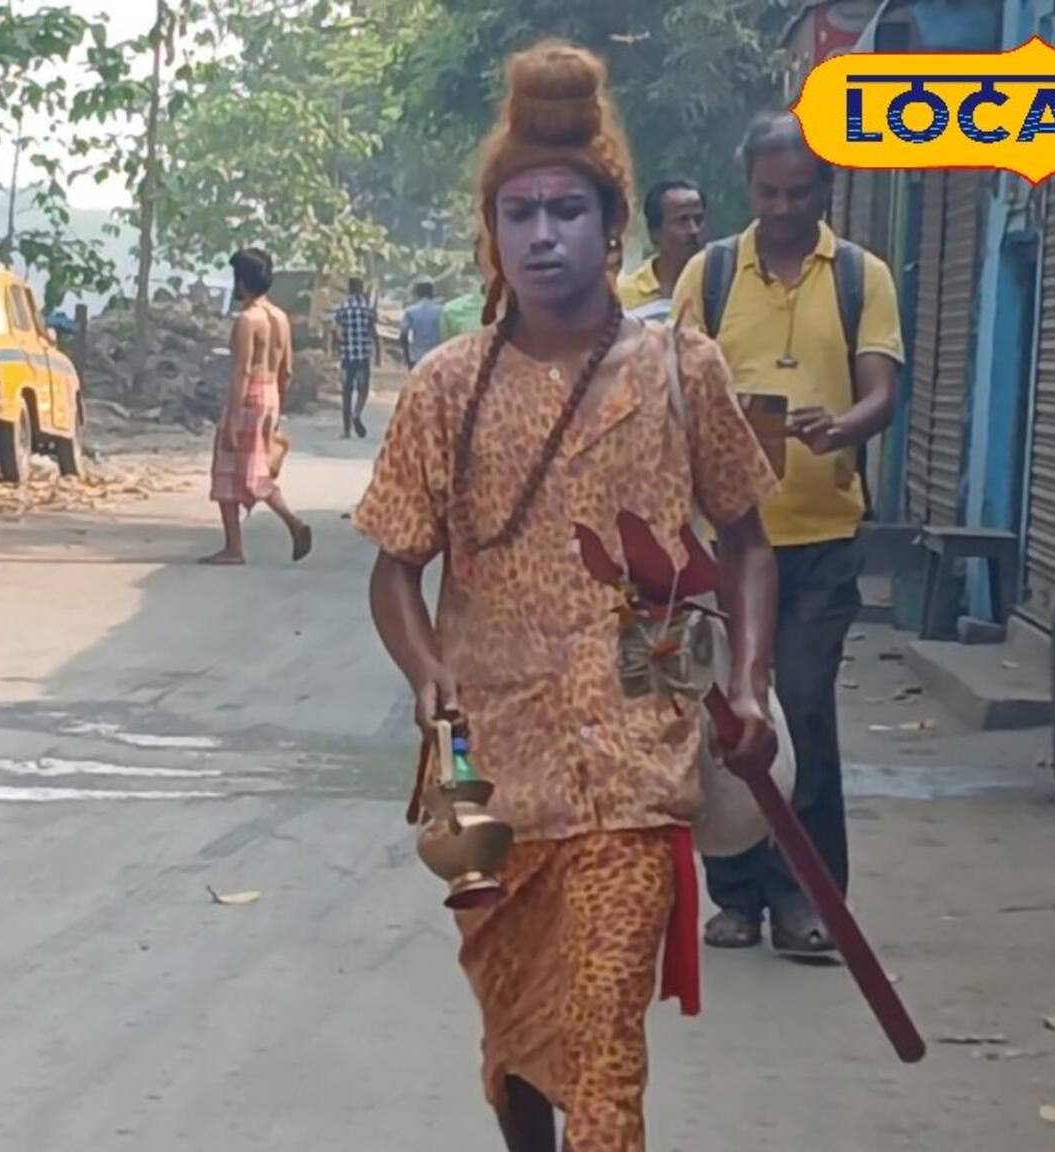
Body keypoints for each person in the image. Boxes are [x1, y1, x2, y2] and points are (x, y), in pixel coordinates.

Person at [354, 41, 779, 1152]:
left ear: (612, 227)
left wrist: (744, 680)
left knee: (600, 1041)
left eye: (566, 212)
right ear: (491, 234)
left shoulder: (681, 374)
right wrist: (426, 675)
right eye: (518, 213)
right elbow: (394, 565)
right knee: (514, 1031)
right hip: (486, 774)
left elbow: (744, 541)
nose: (542, 235)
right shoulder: (446, 387)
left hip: (636, 766)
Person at [674, 110, 903, 956]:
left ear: (825, 191)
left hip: (819, 538)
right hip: (721, 539)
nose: (781, 208)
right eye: (767, 192)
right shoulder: (714, 273)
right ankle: (733, 894)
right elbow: (677, 380)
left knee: (799, 711)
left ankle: (807, 899)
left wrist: (843, 427)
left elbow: (883, 388)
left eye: (798, 192)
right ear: (748, 190)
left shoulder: (859, 276)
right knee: (723, 719)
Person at [202, 247, 312, 566]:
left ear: (242, 282)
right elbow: (287, 370)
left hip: (248, 397)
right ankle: (288, 525)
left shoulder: (247, 320)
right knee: (256, 469)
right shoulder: (280, 318)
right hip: (271, 397)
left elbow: (242, 371)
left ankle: (238, 545)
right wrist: (277, 410)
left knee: (227, 469)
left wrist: (234, 419)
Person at [619, 178, 705, 322]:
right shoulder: (623, 295)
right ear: (655, 233)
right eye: (682, 220)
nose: (693, 230)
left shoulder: (718, 289)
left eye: (698, 220)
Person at [331, 277, 377, 438]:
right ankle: (357, 413)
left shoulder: (342, 309)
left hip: (347, 357)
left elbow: (336, 333)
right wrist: (377, 353)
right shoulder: (367, 309)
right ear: (361, 289)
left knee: (346, 392)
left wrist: (335, 350)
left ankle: (346, 430)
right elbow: (373, 332)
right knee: (363, 389)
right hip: (363, 356)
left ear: (349, 289)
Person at [401, 281, 445, 368]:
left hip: (417, 356)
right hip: (437, 356)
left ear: (417, 294)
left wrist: (407, 355)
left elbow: (403, 335)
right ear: (432, 293)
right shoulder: (441, 311)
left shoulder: (410, 311)